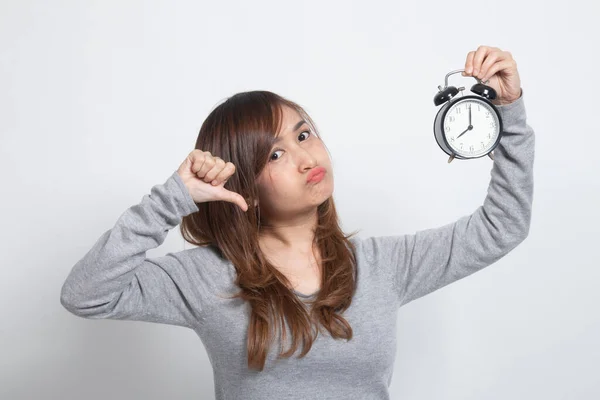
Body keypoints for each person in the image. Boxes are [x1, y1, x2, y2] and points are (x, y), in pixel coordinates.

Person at [60, 45, 534, 399]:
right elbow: (86, 294)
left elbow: (502, 227)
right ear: (242, 185)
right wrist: (172, 198)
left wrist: (508, 114)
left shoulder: (382, 265)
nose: (306, 156)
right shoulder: (206, 277)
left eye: (304, 133)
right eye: (276, 153)